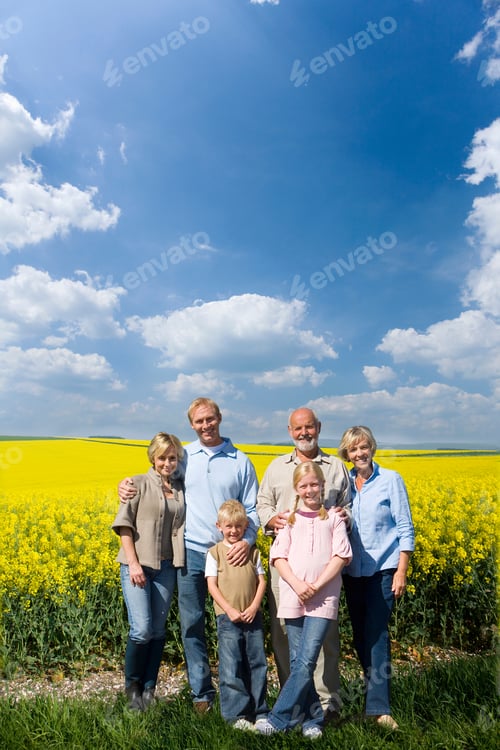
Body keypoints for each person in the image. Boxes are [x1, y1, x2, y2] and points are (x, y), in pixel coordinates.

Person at [118, 397, 259, 713]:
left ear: (220, 418)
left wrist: (246, 542)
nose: (206, 425)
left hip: (230, 555)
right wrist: (126, 485)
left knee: (235, 623)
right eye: (199, 421)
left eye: (210, 419)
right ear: (192, 425)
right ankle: (201, 695)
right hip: (190, 553)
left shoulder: (240, 460)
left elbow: (252, 509)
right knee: (192, 624)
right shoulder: (184, 458)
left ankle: (240, 696)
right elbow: (157, 477)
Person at [256, 407, 351, 720]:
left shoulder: (336, 467)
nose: (304, 433)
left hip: (325, 571)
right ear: (289, 431)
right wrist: (272, 518)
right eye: (298, 428)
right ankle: (295, 702)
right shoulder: (276, 468)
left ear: (319, 427)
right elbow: (262, 504)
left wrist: (345, 516)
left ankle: (327, 705)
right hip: (286, 568)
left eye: (309, 427)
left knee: (325, 637)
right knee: (285, 635)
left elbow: (349, 507)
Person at [337, 426, 415, 730]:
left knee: (377, 634)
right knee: (360, 637)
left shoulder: (390, 480)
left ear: (373, 448)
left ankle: (381, 709)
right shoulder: (344, 485)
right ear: (347, 453)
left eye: (364, 447)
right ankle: (372, 705)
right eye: (353, 450)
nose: (359, 454)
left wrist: (401, 571)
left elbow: (405, 527)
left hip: (383, 569)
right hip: (352, 572)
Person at [111, 432, 185, 711]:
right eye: (162, 457)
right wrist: (132, 563)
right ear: (153, 458)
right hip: (137, 566)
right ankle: (132, 689)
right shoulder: (136, 484)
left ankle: (150, 688)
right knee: (141, 630)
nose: (167, 463)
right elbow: (124, 525)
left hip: (166, 567)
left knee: (157, 630)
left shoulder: (180, 488)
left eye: (172, 457)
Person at [205, 500, 269, 731]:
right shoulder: (215, 554)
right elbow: (212, 586)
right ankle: (236, 715)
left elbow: (262, 581)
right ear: (219, 526)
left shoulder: (252, 552)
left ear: (245, 527)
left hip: (253, 616)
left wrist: (254, 607)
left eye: (239, 527)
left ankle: (260, 711)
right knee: (231, 665)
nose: (234, 531)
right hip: (227, 618)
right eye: (229, 526)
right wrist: (229, 610)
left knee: (257, 663)